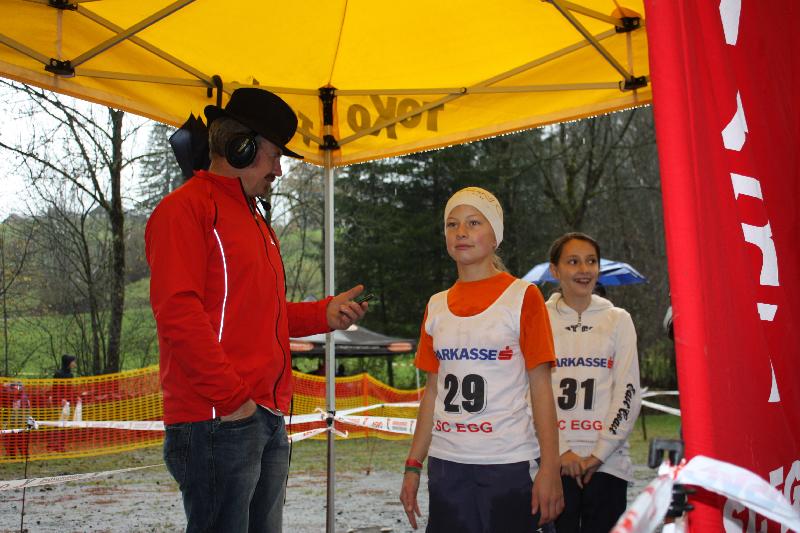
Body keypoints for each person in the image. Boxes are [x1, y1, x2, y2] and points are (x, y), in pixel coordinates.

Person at [145, 87, 369, 533]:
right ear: (240, 147)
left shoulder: (253, 219)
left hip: (257, 415)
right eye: (274, 155)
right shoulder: (184, 210)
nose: (279, 170)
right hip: (219, 418)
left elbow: (262, 314)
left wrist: (323, 315)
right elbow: (178, 314)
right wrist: (234, 402)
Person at [400, 187, 564, 532]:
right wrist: (413, 464)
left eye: (473, 223)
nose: (461, 232)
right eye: (452, 224)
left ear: (495, 236)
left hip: (507, 463)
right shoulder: (436, 305)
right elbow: (433, 392)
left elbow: (541, 388)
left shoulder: (523, 296)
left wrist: (550, 468)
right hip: (447, 465)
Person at [545, 232, 642, 533]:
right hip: (553, 462)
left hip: (608, 463)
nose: (584, 270)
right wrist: (561, 451)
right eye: (573, 262)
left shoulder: (619, 319)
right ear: (555, 270)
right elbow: (529, 392)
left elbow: (628, 391)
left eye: (591, 261)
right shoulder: (537, 318)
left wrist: (599, 454)